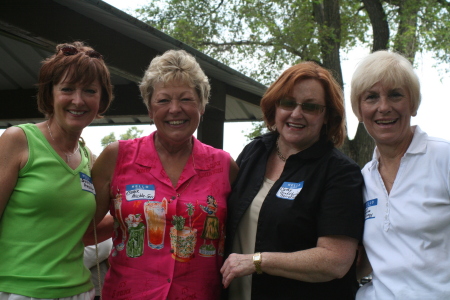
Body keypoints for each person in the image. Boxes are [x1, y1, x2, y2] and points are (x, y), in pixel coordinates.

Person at [92, 49, 239, 300]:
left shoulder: (224, 166)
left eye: (186, 99)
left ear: (202, 105)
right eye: (163, 100)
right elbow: (85, 228)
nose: (175, 109)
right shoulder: (117, 157)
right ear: (150, 108)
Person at [221, 61, 365, 300]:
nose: (296, 114)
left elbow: (335, 261)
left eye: (310, 107)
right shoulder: (255, 151)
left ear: (327, 116)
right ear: (275, 107)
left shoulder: (339, 172)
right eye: (288, 103)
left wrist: (257, 261)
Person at [0, 41, 113, 299]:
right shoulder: (18, 140)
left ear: (101, 99)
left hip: (79, 291)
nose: (78, 100)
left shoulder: (88, 159)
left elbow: (88, 229)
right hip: (18, 291)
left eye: (90, 91)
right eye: (67, 89)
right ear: (50, 94)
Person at [351, 50, 450, 299]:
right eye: (371, 97)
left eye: (395, 95)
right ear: (359, 111)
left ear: (413, 103)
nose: (384, 107)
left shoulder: (443, 157)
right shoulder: (363, 178)